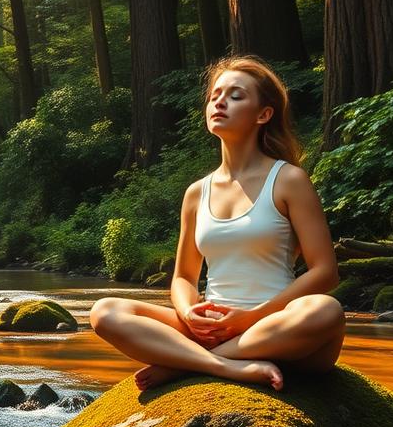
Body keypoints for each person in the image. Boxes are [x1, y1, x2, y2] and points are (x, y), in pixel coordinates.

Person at [88, 55, 345, 392]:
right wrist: (189, 312)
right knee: (105, 311)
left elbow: (325, 272)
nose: (220, 102)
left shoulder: (288, 180)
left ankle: (184, 365)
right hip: (210, 327)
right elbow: (183, 277)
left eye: (236, 96)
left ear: (264, 114)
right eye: (214, 96)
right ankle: (220, 366)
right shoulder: (197, 192)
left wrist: (250, 318)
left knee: (327, 310)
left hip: (275, 326)